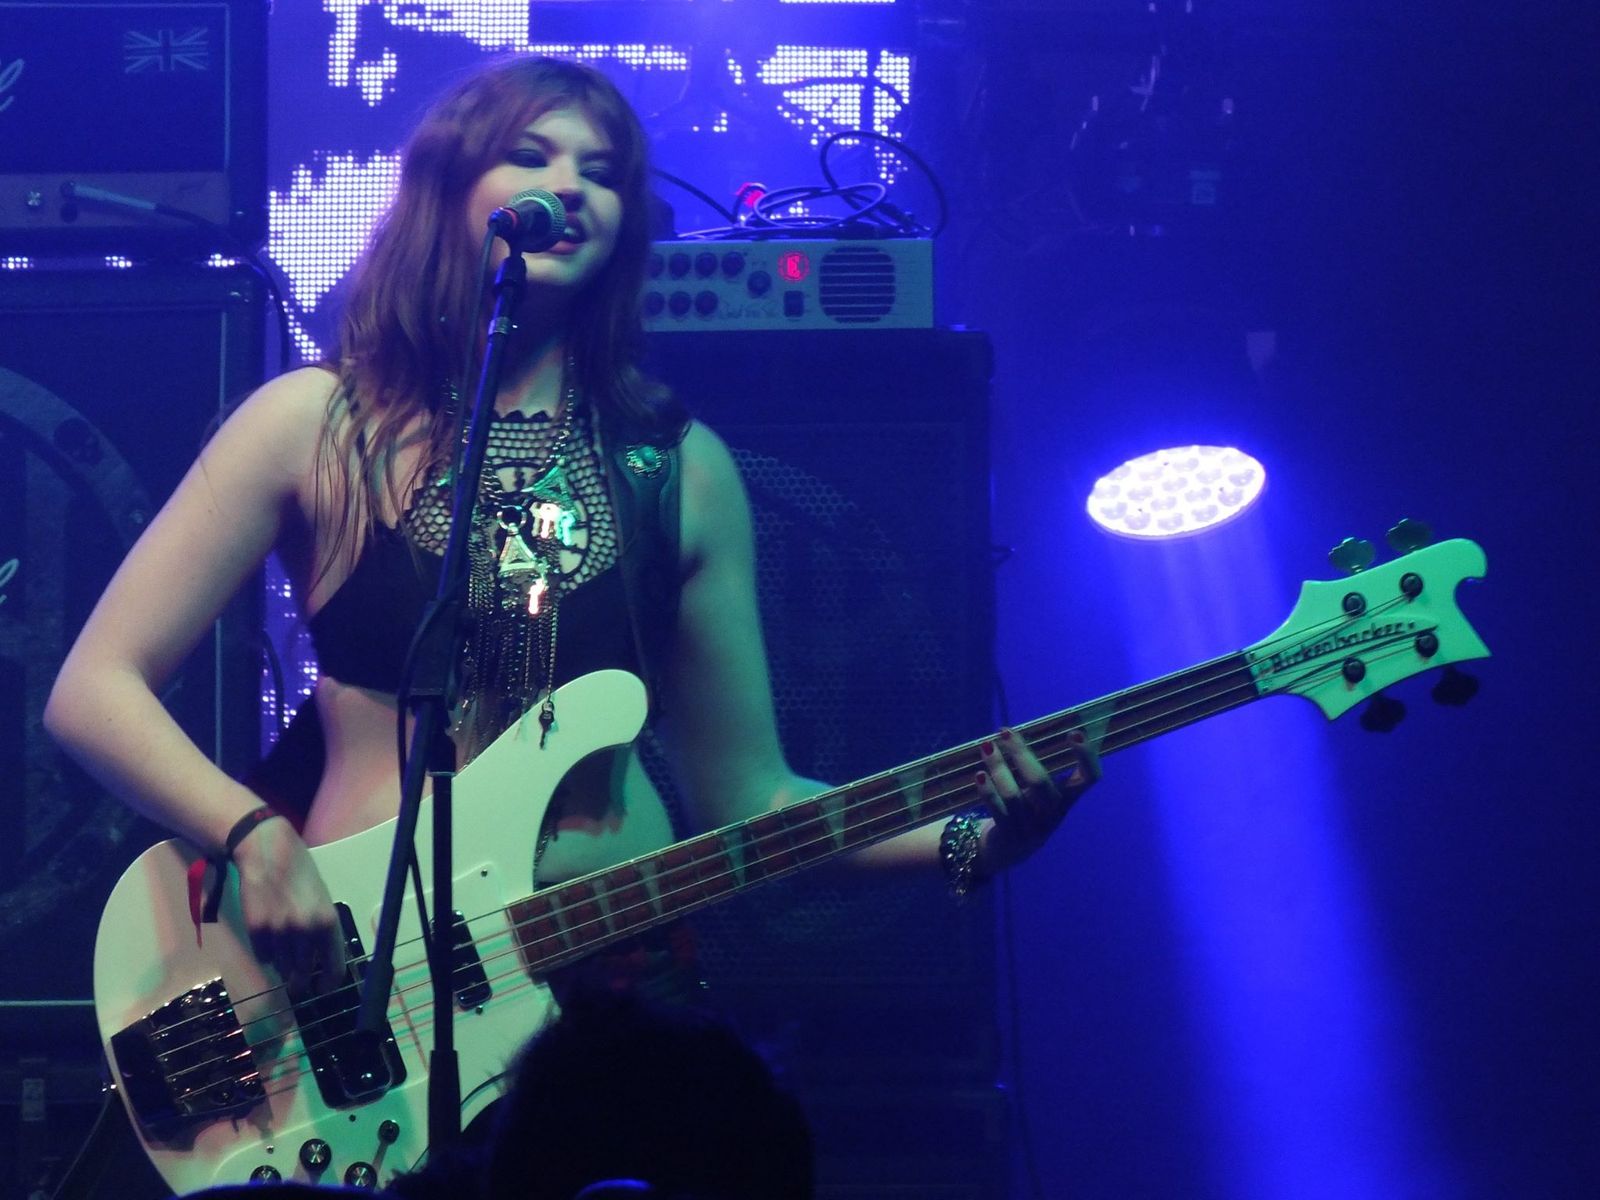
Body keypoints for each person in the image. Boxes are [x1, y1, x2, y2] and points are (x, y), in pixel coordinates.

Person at [45, 47, 1095, 1107]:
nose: (570, 188)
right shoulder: (312, 426)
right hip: (372, 995)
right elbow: (93, 690)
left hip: (618, 992)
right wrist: (251, 834)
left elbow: (753, 798)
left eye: (601, 172)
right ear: (449, 188)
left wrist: (973, 840)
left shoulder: (679, 468)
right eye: (531, 156)